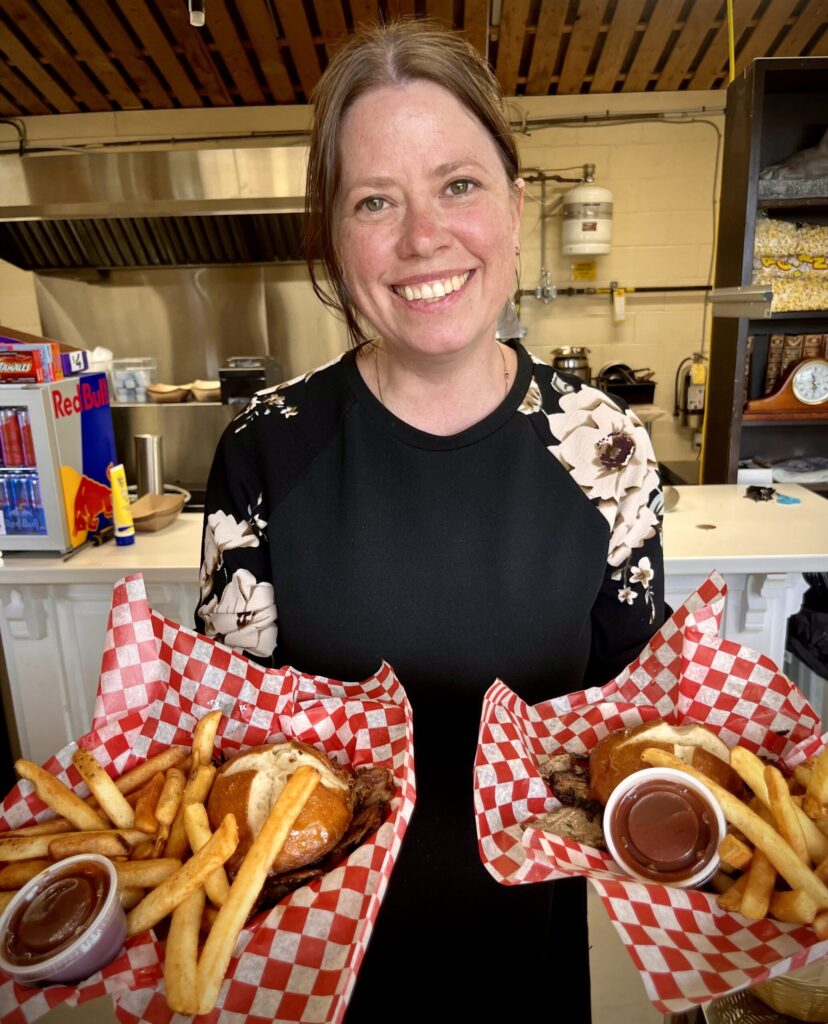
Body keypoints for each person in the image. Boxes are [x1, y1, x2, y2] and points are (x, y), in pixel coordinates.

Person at [197, 19, 665, 1022]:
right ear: (333, 233)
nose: (423, 238)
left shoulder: (609, 449)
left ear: (513, 199)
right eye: (376, 201)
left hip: (532, 954)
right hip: (314, 970)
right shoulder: (264, 450)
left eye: (457, 183)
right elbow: (231, 764)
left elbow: (634, 743)